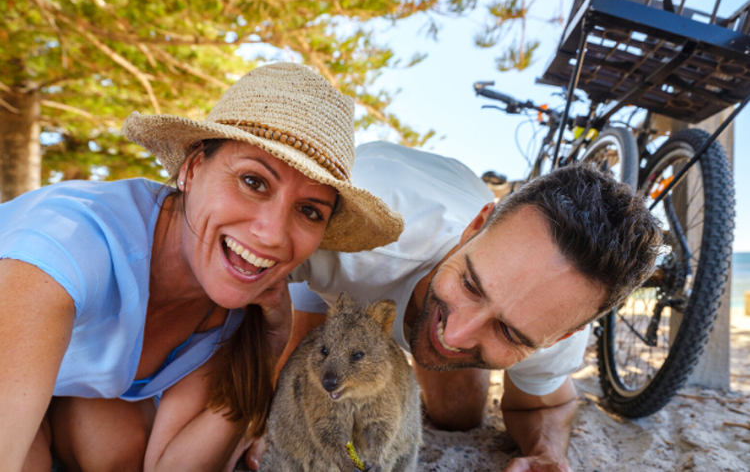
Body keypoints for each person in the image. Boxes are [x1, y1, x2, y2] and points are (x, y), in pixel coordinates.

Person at [0, 63, 404, 472]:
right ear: (192, 169)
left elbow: (174, 466)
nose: (273, 235)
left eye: (308, 211)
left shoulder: (227, 300)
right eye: (254, 182)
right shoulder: (67, 243)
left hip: (61, 393)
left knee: (117, 451)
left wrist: (269, 346)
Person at [268, 141, 662, 472]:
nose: (455, 335)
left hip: (449, 203)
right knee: (284, 386)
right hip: (353, 235)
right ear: (476, 227)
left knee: (459, 415)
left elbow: (549, 405)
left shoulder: (556, 316)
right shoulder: (348, 233)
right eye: (472, 284)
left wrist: (546, 452)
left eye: (509, 331)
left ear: (564, 335)